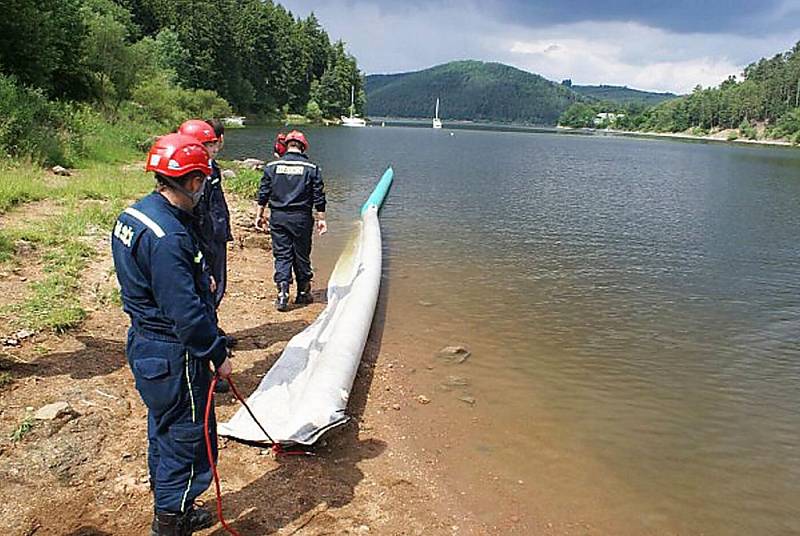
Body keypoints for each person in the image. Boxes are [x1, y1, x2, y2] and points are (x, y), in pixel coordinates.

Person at [111, 133, 233, 536]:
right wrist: (217, 353)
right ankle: (171, 522)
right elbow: (186, 315)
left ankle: (171, 508)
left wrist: (200, 281)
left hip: (146, 343)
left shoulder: (134, 216)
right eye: (202, 180)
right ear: (194, 181)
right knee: (187, 437)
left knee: (162, 428)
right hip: (175, 353)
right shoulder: (169, 237)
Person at [255, 130, 327, 311]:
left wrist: (259, 214)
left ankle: (282, 292)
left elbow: (263, 193)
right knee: (301, 254)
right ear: (303, 147)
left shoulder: (272, 167)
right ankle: (303, 292)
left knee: (282, 254)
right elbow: (318, 196)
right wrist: (321, 219)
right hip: (301, 218)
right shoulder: (312, 168)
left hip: (278, 217)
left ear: (286, 146)